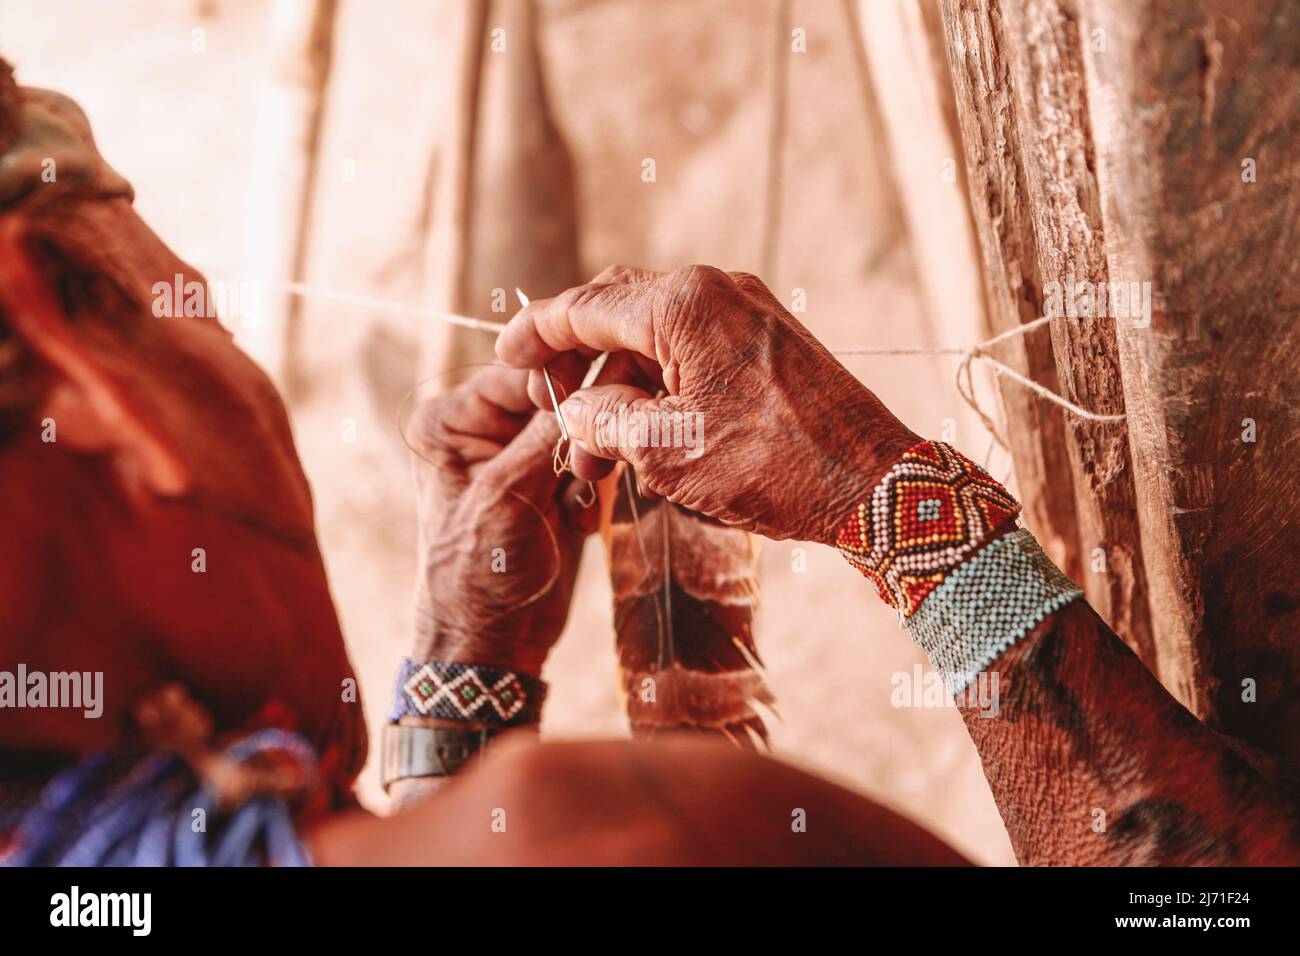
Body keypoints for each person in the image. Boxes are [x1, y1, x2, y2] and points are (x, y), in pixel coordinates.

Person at [0, 62, 1295, 866]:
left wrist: (467, 665)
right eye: (199, 314)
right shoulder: (631, 839)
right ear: (110, 403)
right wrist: (900, 510)